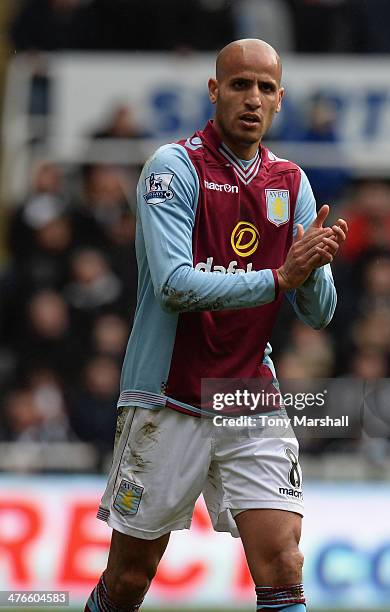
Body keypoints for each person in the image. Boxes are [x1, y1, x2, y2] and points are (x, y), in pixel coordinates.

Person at [85, 39, 348, 612]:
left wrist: (313, 269)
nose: (252, 98)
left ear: (280, 100)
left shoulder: (291, 182)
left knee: (283, 562)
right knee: (129, 580)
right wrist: (282, 275)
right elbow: (175, 285)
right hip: (167, 398)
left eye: (265, 88)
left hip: (249, 393)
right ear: (215, 91)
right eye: (239, 85)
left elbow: (319, 313)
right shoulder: (173, 169)